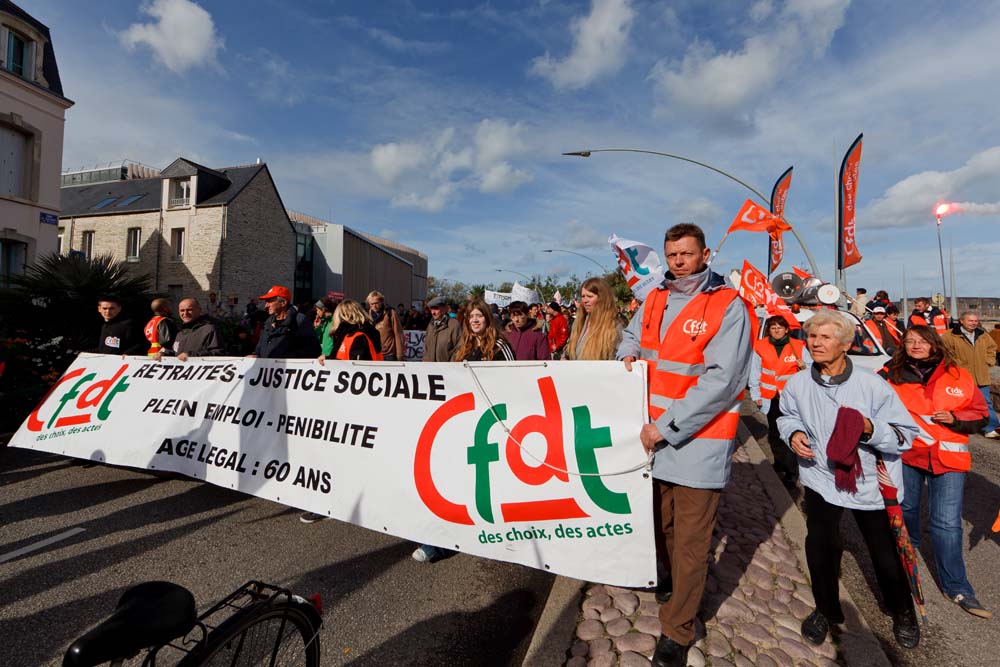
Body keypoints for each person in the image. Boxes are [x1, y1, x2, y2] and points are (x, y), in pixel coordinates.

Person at [617, 223, 754, 667]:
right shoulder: (653, 296)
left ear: (705, 253)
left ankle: (677, 630)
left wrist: (666, 426)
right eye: (672, 254)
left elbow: (723, 381)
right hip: (652, 443)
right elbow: (632, 337)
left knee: (693, 542)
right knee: (663, 527)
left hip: (696, 444)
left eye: (686, 254)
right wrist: (626, 354)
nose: (678, 261)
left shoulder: (727, 305)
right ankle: (672, 582)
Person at [778, 311, 921, 650]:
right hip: (820, 477)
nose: (816, 343)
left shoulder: (872, 385)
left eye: (825, 337)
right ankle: (826, 609)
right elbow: (787, 416)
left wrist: (871, 430)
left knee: (884, 553)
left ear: (845, 344)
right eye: (812, 337)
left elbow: (906, 435)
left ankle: (902, 609)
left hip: (869, 483)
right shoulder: (797, 384)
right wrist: (793, 433)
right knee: (821, 547)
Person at [879, 325, 991, 618]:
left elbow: (980, 415)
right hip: (907, 454)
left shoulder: (959, 376)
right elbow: (872, 407)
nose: (916, 345)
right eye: (910, 341)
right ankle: (906, 567)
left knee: (947, 524)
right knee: (907, 511)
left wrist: (956, 418)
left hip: (949, 460)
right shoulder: (891, 374)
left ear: (934, 344)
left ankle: (957, 587)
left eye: (922, 341)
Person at [413, 299, 513, 564]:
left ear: (488, 319)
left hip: (492, 425)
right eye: (471, 317)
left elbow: (516, 381)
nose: (475, 320)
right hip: (465, 423)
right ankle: (443, 540)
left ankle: (497, 536)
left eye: (480, 316)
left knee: (490, 485)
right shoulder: (464, 347)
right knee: (457, 482)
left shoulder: (501, 346)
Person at [749, 315, 811, 484]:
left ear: (786, 330)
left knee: (792, 433)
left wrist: (805, 366)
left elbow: (812, 368)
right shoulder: (760, 346)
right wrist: (756, 395)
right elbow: (755, 372)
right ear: (768, 330)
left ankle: (792, 472)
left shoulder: (797, 346)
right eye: (773, 327)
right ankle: (779, 463)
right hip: (770, 397)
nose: (776, 331)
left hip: (792, 399)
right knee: (775, 433)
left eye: (780, 327)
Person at [941, 311, 1000, 438]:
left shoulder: (983, 334)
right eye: (970, 321)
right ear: (961, 321)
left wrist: (988, 361)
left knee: (985, 402)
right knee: (959, 402)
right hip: (960, 376)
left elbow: (992, 348)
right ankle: (959, 424)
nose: (974, 323)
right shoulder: (950, 336)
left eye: (975, 321)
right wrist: (957, 366)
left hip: (981, 376)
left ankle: (991, 428)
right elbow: (945, 353)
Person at [251, 286, 320, 359]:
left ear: (283, 303)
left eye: (269, 301)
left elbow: (313, 350)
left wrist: (283, 358)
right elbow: (259, 350)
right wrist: (255, 356)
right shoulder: (267, 324)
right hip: (267, 368)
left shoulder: (300, 321)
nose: (266, 305)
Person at [565, 277, 621, 361]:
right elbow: (568, 352)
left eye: (590, 296)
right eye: (583, 296)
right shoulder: (580, 321)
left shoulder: (615, 324)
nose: (585, 300)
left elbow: (616, 360)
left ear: (602, 298)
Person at [367, 290, 404, 361]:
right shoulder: (368, 315)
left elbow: (398, 334)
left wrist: (399, 355)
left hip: (389, 354)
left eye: (376, 303)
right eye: (371, 304)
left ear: (381, 302)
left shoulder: (390, 313)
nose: (374, 306)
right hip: (374, 353)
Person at [423, 296, 460, 362]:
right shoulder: (430, 325)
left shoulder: (454, 325)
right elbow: (426, 348)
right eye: (431, 309)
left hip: (447, 369)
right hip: (430, 369)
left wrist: (451, 365)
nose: (433, 312)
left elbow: (459, 348)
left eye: (436, 309)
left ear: (444, 309)